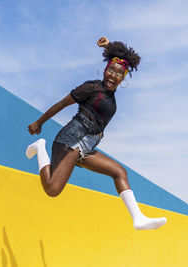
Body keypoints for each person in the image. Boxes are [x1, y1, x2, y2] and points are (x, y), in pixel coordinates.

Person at [26, 37, 166, 230]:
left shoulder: (111, 95)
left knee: (119, 172)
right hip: (71, 140)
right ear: (105, 70)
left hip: (87, 146)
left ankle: (138, 218)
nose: (112, 75)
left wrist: (110, 47)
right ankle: (40, 147)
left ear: (123, 78)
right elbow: (61, 104)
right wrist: (39, 122)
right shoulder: (91, 87)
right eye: (110, 70)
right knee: (52, 190)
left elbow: (124, 60)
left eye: (118, 73)